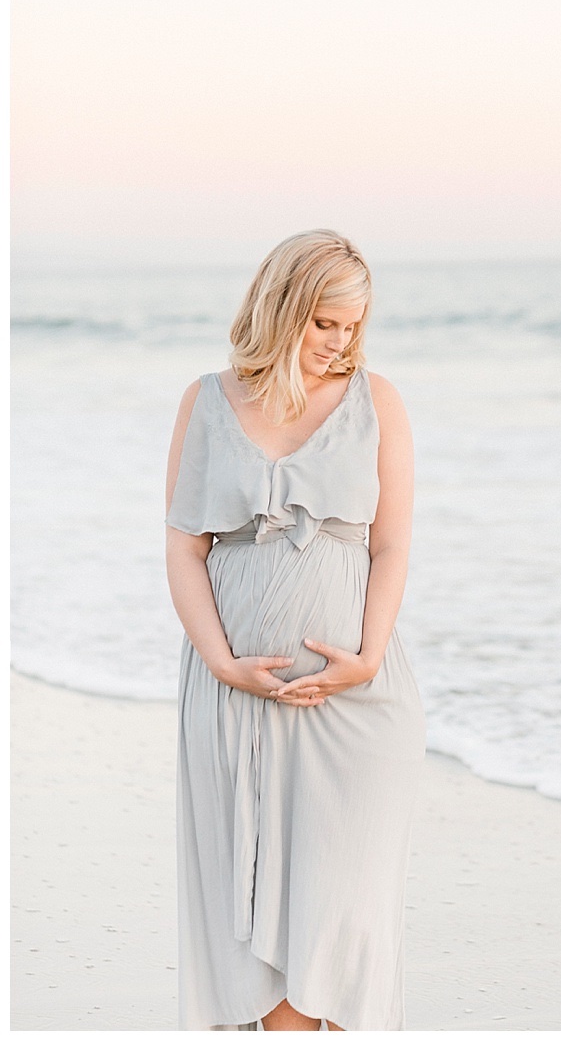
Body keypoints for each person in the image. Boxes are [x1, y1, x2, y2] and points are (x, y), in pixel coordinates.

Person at [164, 230, 427, 1031]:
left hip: (355, 705)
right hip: (232, 700)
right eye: (323, 324)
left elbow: (390, 545)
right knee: (256, 953)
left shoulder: (376, 400)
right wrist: (221, 661)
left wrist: (368, 659)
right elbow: (184, 547)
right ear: (281, 310)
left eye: (352, 326)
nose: (339, 343)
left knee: (343, 936)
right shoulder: (207, 400)